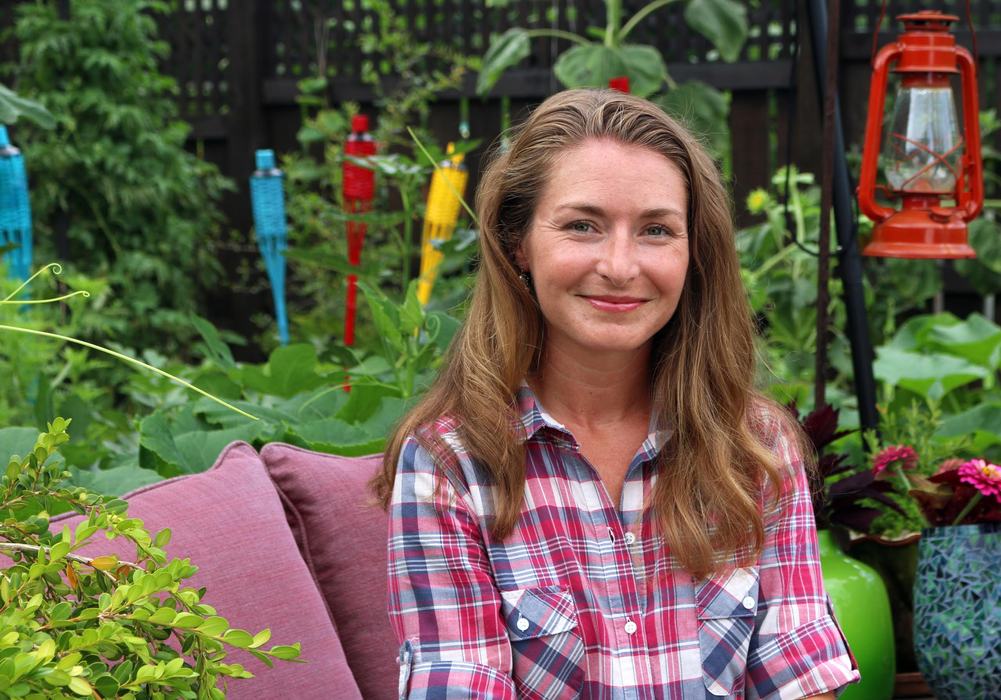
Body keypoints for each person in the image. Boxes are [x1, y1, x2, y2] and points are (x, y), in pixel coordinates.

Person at [371, 88, 860, 699]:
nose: (621, 265)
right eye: (583, 225)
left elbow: (800, 683)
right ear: (516, 242)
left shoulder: (756, 447)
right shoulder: (452, 464)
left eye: (656, 229)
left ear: (693, 253)